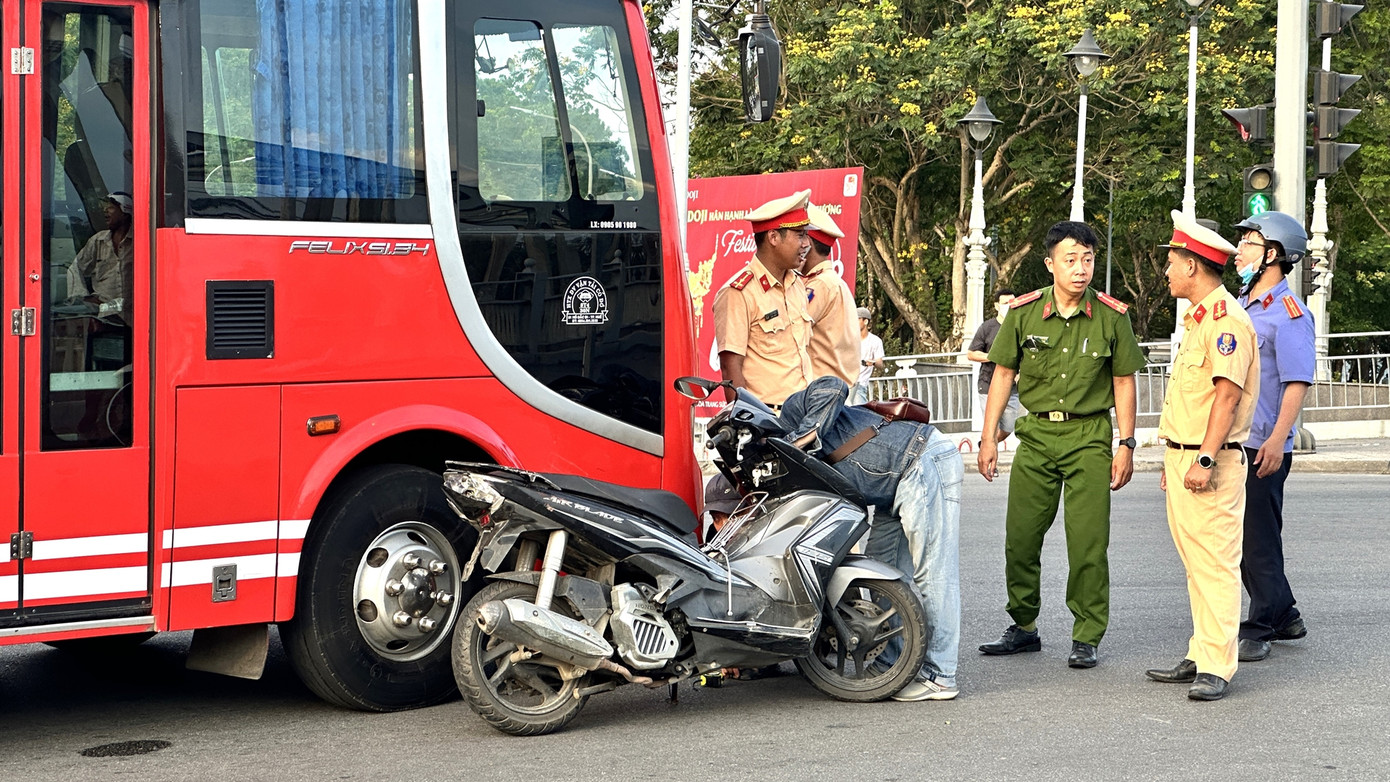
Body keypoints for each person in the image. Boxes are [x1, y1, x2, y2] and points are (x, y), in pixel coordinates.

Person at [976, 221, 1146, 670]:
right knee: (1021, 538)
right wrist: (988, 436)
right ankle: (1023, 626)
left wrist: (1126, 443)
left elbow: (1124, 381)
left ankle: (1087, 634)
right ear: (1051, 263)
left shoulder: (1112, 315)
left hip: (1089, 436)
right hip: (1035, 438)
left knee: (1088, 542)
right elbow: (1003, 375)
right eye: (1070, 260)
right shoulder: (1025, 312)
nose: (1081, 269)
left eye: (1088, 259)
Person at [779, 375, 964, 701]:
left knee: (933, 575)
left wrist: (801, 439)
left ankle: (940, 675)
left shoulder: (791, 415)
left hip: (922, 461)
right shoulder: (786, 471)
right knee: (881, 573)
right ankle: (892, 664)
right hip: (892, 488)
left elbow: (833, 385)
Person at [1145, 210, 1259, 702]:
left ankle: (1217, 664)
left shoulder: (1226, 320)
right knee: (1196, 563)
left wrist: (1205, 459)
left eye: (1171, 262)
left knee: (1215, 563)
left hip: (1211, 461)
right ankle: (1202, 650)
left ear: (1192, 266)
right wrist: (1178, 455)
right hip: (1185, 455)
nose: (1166, 271)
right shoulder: (1199, 320)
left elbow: (1226, 397)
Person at [1229, 211, 1314, 663]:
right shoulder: (1243, 304)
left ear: (1274, 254)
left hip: (1263, 442)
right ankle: (1286, 615)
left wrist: (1278, 440)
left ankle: (1261, 624)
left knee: (1256, 539)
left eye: (1248, 243)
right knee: (1246, 537)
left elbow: (1296, 382)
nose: (1239, 250)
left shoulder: (1289, 313)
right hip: (1238, 439)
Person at [712, 190, 815, 406]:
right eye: (800, 234)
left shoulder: (797, 285)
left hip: (804, 417)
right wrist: (748, 423)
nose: (806, 244)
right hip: (769, 423)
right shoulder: (738, 293)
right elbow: (731, 369)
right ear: (774, 237)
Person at [800, 204, 861, 385]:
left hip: (820, 392)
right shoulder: (830, 282)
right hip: (831, 389)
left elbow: (790, 334)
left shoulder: (820, 285)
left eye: (799, 235)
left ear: (807, 244)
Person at [67, 191, 135, 328]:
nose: (105, 211)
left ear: (125, 211)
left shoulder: (139, 242)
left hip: (133, 316)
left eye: (111, 207)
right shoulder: (98, 240)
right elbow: (75, 268)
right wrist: (82, 298)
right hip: (102, 318)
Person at [967, 288, 1024, 444]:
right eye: (1005, 303)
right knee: (991, 427)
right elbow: (971, 353)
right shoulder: (987, 328)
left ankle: (986, 444)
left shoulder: (1020, 326)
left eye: (1012, 302)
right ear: (997, 306)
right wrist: (993, 357)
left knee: (1008, 428)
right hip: (988, 386)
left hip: (1012, 388)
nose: (1009, 306)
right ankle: (991, 461)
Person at [850, 307, 884, 405]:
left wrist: (873, 363)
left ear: (865, 321)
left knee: (858, 413)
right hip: (845, 382)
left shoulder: (875, 341)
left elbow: (881, 365)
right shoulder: (849, 339)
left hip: (860, 384)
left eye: (857, 319)